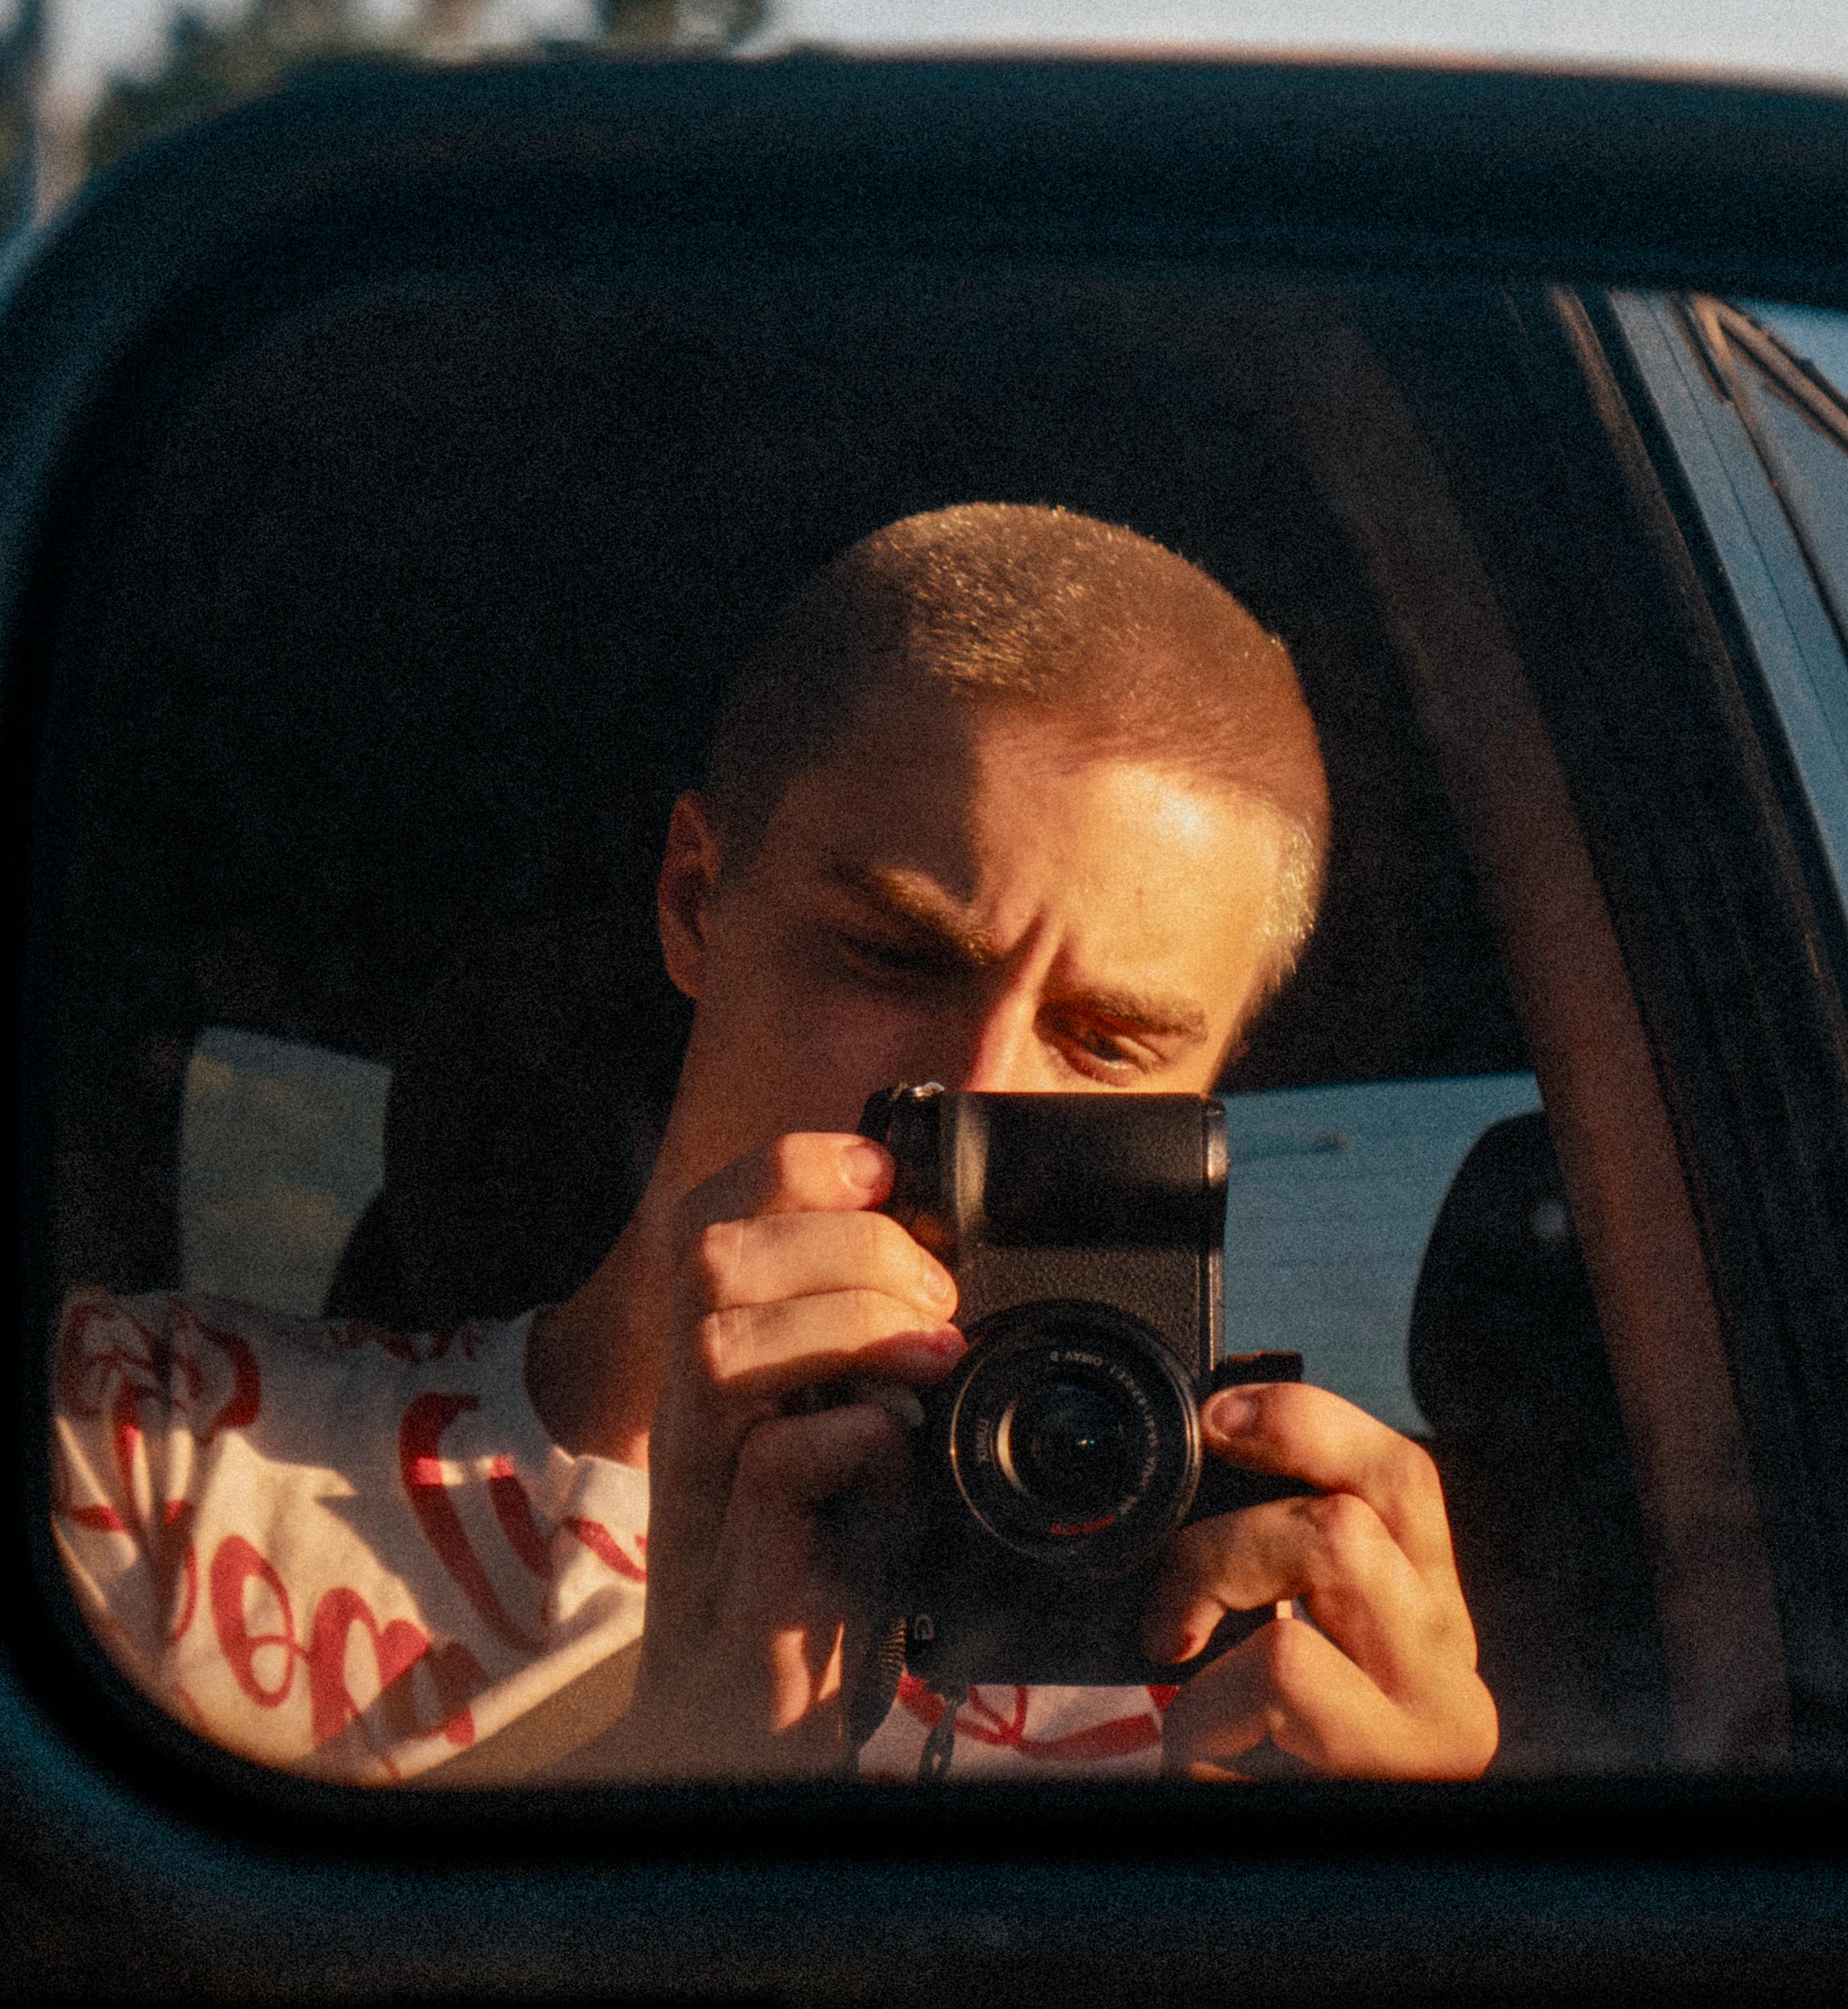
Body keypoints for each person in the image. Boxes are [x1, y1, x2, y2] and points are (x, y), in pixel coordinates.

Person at [53, 507, 1499, 1788]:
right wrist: (678, 1762)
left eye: (1106, 1042)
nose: (977, 1086)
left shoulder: (1238, 1653)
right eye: (890, 957)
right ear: (694, 899)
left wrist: (1390, 1908)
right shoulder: (145, 1451)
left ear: (1204, 1101)